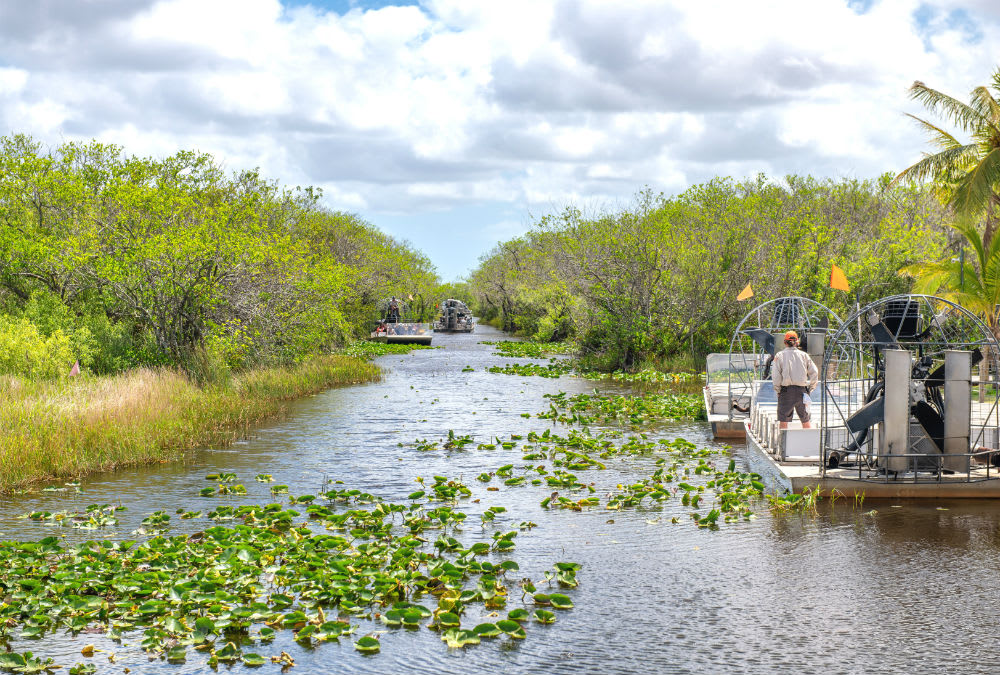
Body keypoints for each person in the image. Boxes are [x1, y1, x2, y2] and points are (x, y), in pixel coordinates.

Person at [771, 330, 818, 429]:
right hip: (802, 391)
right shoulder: (804, 355)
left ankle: (782, 443)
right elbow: (815, 372)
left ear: (785, 342)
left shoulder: (779, 355)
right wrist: (810, 389)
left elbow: (776, 376)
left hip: (786, 392)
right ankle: (809, 442)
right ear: (797, 342)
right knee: (805, 420)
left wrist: (778, 390)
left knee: (783, 421)